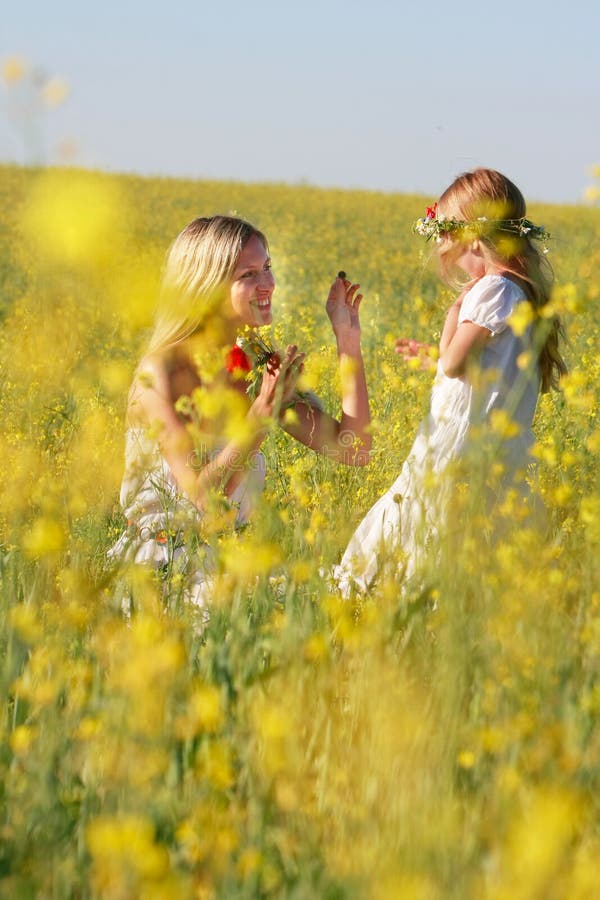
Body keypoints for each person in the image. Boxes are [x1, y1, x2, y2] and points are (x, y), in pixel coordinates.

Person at [108, 215, 371, 609]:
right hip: (166, 575)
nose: (268, 284)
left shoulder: (256, 365)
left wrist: (348, 340)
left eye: (267, 267)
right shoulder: (160, 373)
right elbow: (206, 503)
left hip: (235, 568)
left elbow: (353, 450)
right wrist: (261, 416)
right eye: (249, 273)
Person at [334, 168, 566, 596]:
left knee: (420, 536)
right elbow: (487, 371)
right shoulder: (521, 291)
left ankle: (387, 609)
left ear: (473, 237)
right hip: (496, 450)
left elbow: (457, 362)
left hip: (457, 450)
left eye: (443, 232)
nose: (441, 245)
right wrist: (431, 359)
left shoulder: (491, 289)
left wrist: (451, 315)